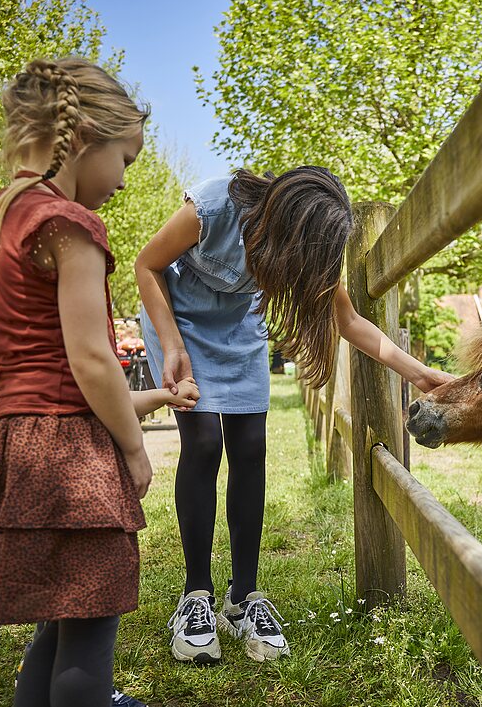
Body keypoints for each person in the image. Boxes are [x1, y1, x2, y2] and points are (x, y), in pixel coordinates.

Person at [0, 57, 181, 707]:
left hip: (18, 443)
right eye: (125, 159)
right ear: (85, 136)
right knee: (88, 630)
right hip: (70, 452)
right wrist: (132, 445)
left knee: (57, 625)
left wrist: (143, 403)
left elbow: (32, 359)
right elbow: (88, 357)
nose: (122, 179)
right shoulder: (67, 221)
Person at [136, 168, 452, 664]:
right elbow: (147, 265)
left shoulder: (304, 248)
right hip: (177, 323)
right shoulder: (215, 208)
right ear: (287, 226)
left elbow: (348, 321)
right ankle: (196, 595)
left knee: (250, 447)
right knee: (202, 443)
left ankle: (244, 598)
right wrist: (173, 344)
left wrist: (418, 374)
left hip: (240, 329)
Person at [0, 364, 190, 707]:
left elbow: (109, 399)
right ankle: (82, 691)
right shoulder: (22, 349)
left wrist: (165, 396)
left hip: (69, 473)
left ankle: (46, 682)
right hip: (43, 480)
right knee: (77, 599)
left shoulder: (61, 346)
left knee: (69, 597)